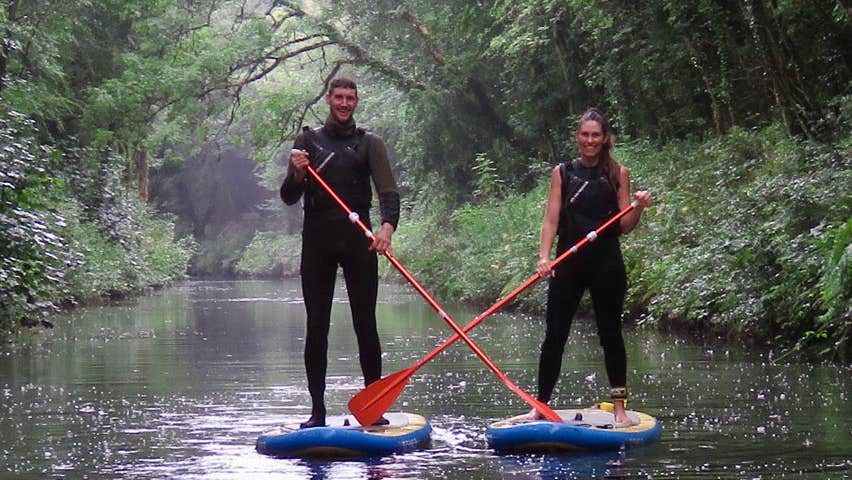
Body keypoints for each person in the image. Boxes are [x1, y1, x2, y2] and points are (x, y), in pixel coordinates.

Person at [280, 77, 400, 429]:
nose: (344, 103)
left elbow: (388, 192)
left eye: (350, 98)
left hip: (359, 242)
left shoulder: (370, 143)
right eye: (339, 98)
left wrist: (386, 229)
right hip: (317, 241)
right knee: (317, 327)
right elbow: (288, 195)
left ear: (357, 102)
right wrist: (299, 174)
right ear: (329, 99)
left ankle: (373, 409)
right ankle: (317, 412)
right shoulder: (308, 141)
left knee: (366, 325)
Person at [529, 108, 652, 427]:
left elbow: (625, 225)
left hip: (606, 263)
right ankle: (540, 404)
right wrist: (544, 257)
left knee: (611, 335)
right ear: (577, 137)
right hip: (568, 261)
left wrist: (638, 207)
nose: (590, 140)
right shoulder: (563, 172)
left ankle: (620, 409)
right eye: (585, 134)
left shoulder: (618, 173)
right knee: (555, 334)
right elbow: (551, 219)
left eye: (596, 135)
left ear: (605, 138)